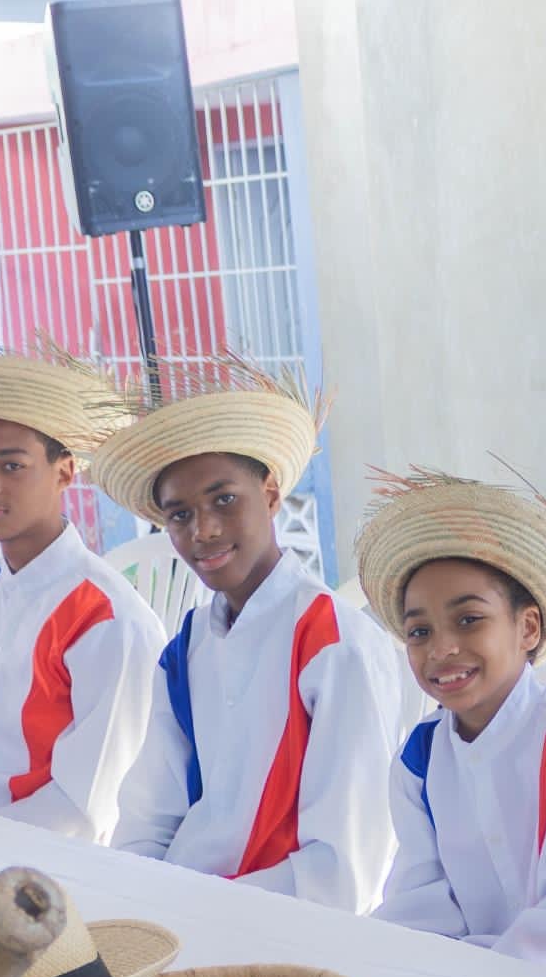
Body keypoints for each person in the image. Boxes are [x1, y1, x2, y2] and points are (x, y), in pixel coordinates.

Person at [105, 367, 406, 910]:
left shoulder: (335, 644)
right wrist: (141, 903)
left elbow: (343, 871)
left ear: (269, 494)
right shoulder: (185, 650)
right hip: (180, 908)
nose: (203, 531)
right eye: (180, 515)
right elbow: (148, 816)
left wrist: (200, 908)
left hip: (283, 923)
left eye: (224, 500)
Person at [357, 471, 546, 977]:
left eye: (469, 620)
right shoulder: (420, 759)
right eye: (419, 631)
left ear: (527, 627)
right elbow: (419, 904)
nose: (442, 648)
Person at [0, 342, 162, 842]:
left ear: (65, 471)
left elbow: (82, 809)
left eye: (11, 466)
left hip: (38, 857)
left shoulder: (107, 617)